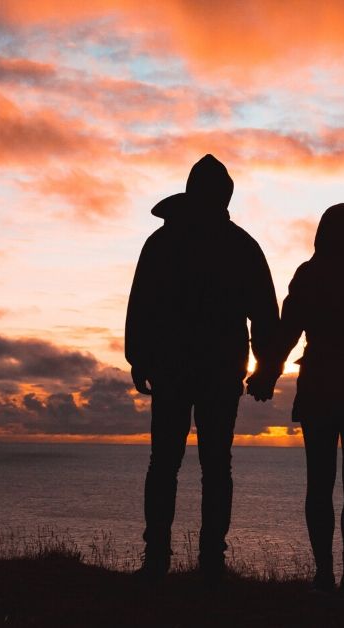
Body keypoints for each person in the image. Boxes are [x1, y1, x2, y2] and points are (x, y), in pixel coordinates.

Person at [125, 154, 281, 584]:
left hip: (179, 367)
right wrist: (265, 368)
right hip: (213, 369)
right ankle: (206, 559)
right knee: (213, 465)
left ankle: (162, 558)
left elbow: (141, 305)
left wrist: (139, 356)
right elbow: (265, 315)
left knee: (168, 464)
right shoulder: (240, 245)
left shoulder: (163, 243)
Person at [248, 203, 344, 593]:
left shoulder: (309, 274)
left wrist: (266, 374)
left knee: (319, 484)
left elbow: (287, 334)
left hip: (320, 390)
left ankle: (325, 574)